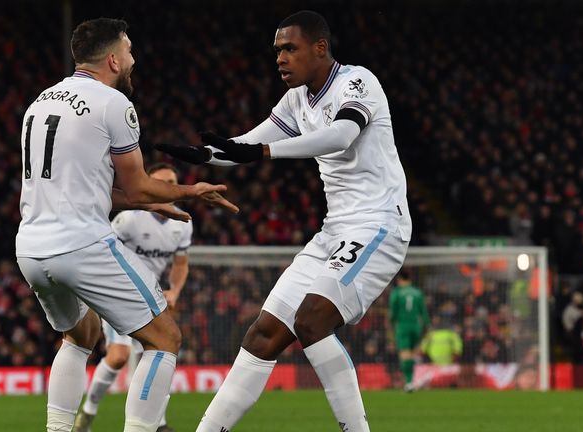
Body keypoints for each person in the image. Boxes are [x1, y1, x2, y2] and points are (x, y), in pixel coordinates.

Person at [157, 10, 411, 431]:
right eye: (277, 50)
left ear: (320, 47)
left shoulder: (358, 81)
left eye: (290, 48)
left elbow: (341, 135)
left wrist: (261, 153)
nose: (280, 58)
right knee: (263, 334)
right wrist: (202, 156)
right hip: (335, 232)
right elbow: (248, 144)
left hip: (379, 225)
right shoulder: (296, 100)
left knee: (311, 321)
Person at [15, 18, 238, 432]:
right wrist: (189, 192)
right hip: (80, 244)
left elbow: (80, 188)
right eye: (130, 52)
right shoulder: (113, 104)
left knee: (80, 335)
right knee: (164, 339)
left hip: (31, 248)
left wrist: (161, 200)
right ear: (114, 60)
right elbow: (136, 189)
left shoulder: (40, 102)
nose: (134, 61)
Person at [75, 163, 193, 432]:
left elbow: (181, 264)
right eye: (160, 181)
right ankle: (88, 413)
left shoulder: (183, 223)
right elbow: (103, 249)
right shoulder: (130, 219)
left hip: (150, 296)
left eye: (171, 181)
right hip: (118, 291)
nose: (167, 186)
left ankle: (158, 423)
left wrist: (174, 290)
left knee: (158, 353)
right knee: (118, 356)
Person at [388, 270, 429, 392]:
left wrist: (390, 325)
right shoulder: (417, 292)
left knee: (404, 354)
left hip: (403, 326)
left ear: (399, 280)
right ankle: (412, 381)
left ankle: (409, 382)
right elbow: (423, 312)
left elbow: (393, 313)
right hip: (416, 326)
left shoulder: (397, 292)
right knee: (412, 353)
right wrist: (428, 326)